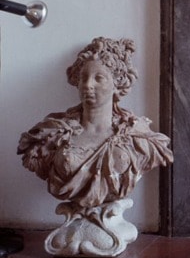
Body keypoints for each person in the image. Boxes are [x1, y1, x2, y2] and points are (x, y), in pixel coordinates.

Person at [17, 37, 173, 211]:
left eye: (99, 78)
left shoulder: (138, 137)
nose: (88, 85)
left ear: (117, 83)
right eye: (83, 78)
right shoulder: (52, 134)